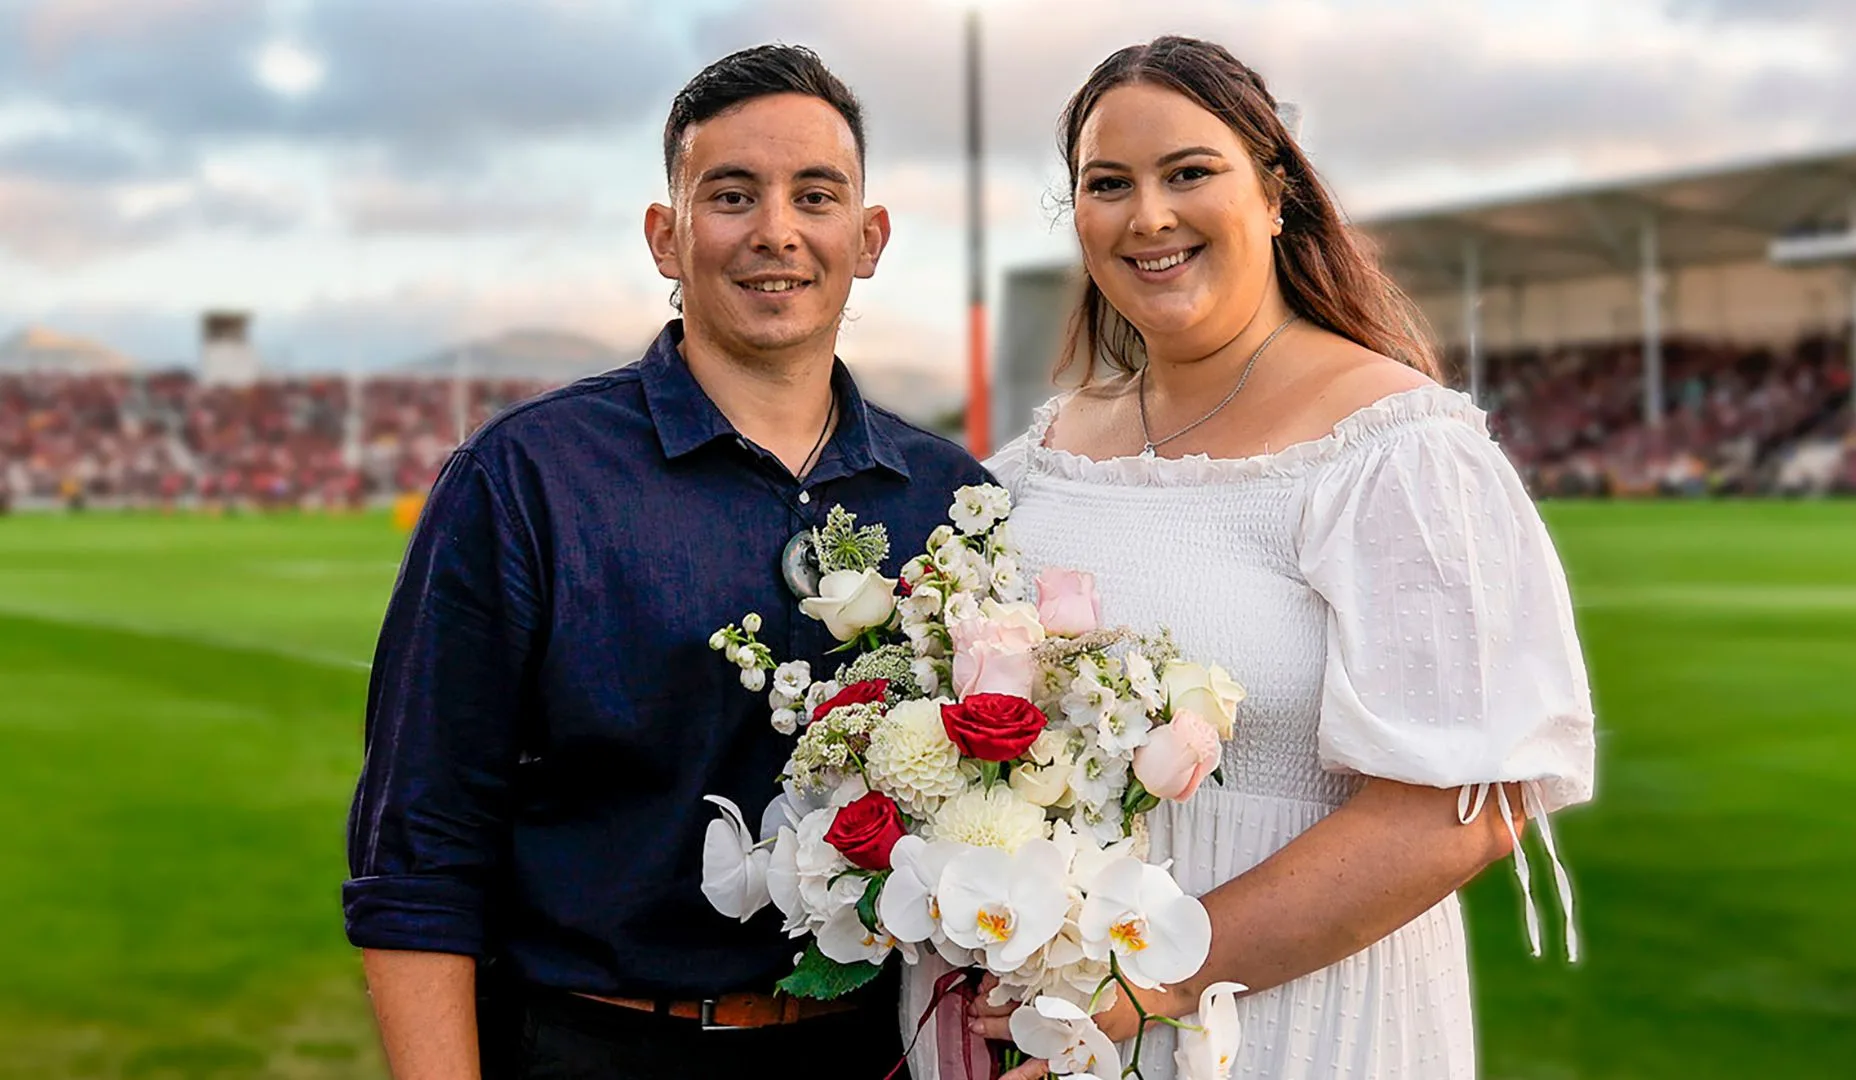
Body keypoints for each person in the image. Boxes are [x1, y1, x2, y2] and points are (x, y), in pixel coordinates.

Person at [343, 44, 992, 1080]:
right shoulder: (526, 477)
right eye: (731, 195)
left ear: (867, 238)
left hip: (870, 1048)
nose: (776, 231)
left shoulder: (949, 498)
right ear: (666, 235)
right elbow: (419, 843)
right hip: (590, 1042)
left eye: (814, 195)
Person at [964, 37, 1595, 1079]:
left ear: (1275, 193)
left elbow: (1458, 815)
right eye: (1107, 184)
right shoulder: (1040, 462)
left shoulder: (1397, 448)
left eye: (1189, 172)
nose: (1148, 215)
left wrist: (1149, 983)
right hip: (1039, 1026)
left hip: (1286, 1025)